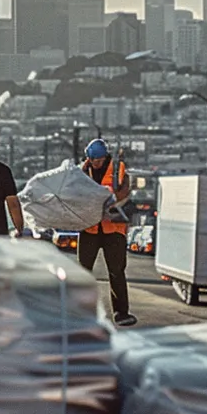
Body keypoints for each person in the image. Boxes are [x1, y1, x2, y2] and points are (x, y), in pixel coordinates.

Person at [78, 139, 137, 327]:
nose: (96, 163)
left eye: (99, 159)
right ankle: (80, 312)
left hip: (113, 229)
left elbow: (125, 192)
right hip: (90, 227)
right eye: (93, 159)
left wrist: (107, 198)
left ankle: (121, 313)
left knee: (117, 271)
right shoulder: (81, 171)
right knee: (83, 272)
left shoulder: (118, 170)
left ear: (105, 157)